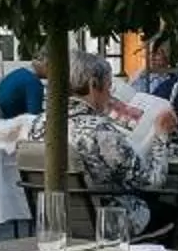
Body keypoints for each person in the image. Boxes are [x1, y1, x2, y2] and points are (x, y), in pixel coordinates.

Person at [66, 52, 169, 231]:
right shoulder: (100, 132)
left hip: (61, 217)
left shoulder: (39, 124)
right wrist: (161, 135)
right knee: (174, 204)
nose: (110, 93)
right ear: (93, 85)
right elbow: (153, 181)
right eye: (109, 86)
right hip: (107, 219)